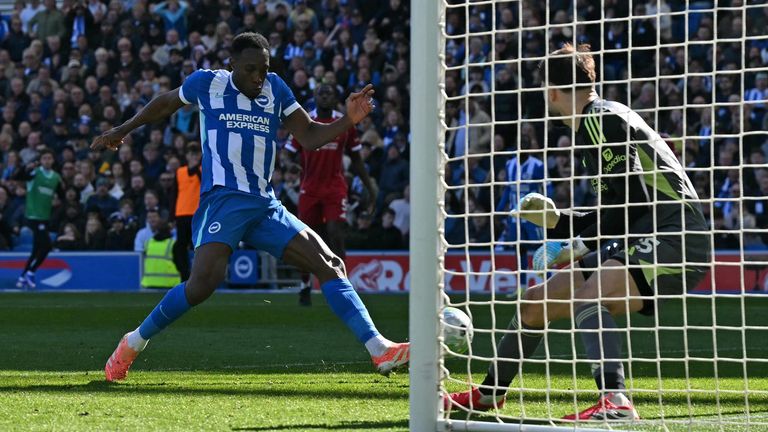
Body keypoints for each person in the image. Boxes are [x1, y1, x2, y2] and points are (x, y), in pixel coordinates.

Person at [92, 32, 408, 382]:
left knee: (330, 264)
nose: (259, 76)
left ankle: (378, 349)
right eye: (250, 69)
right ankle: (132, 343)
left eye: (264, 69)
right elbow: (165, 102)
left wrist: (349, 119)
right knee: (201, 286)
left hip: (264, 203)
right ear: (232, 67)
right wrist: (123, 128)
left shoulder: (276, 88)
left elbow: (310, 137)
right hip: (224, 199)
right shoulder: (207, 84)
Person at [446, 44, 712, 421]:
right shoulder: (598, 120)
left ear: (551, 91)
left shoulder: (599, 120)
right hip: (644, 235)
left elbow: (632, 206)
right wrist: (558, 221)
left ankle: (616, 401)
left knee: (589, 297)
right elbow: (617, 208)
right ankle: (490, 394)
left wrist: (574, 245)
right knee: (535, 301)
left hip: (676, 239)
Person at [284, 83, 378, 306]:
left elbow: (356, 159)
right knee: (307, 239)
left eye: (329, 92)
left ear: (335, 96)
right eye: (321, 93)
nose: (325, 96)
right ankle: (305, 284)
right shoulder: (305, 122)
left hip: (335, 187)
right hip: (309, 188)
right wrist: (292, 166)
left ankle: (342, 285)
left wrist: (370, 187)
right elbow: (287, 154)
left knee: (336, 231)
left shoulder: (345, 121)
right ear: (315, 97)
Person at [495, 140, 549, 290]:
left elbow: (547, 188)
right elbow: (507, 190)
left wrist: (547, 208)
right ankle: (522, 288)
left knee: (541, 249)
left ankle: (549, 284)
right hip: (515, 216)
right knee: (520, 250)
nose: (522, 149)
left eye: (525, 146)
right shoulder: (509, 164)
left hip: (533, 216)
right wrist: (499, 210)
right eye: (520, 146)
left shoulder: (538, 165)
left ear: (529, 148)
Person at [15, 148, 63, 289]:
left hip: (45, 217)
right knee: (47, 246)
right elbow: (18, 176)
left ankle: (22, 277)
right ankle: (31, 271)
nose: (47, 161)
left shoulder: (55, 177)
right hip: (33, 216)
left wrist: (57, 201)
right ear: (41, 161)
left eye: (49, 158)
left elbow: (62, 195)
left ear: (53, 161)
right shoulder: (35, 173)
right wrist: (25, 168)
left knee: (36, 249)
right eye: (45, 158)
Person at [170, 142, 201, 281]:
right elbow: (174, 194)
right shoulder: (180, 172)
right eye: (191, 153)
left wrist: (196, 167)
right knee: (179, 248)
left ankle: (198, 276)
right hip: (182, 214)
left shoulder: (203, 170)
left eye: (196, 153)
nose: (193, 156)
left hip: (197, 214)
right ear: (187, 155)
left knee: (198, 247)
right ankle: (185, 275)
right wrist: (172, 216)